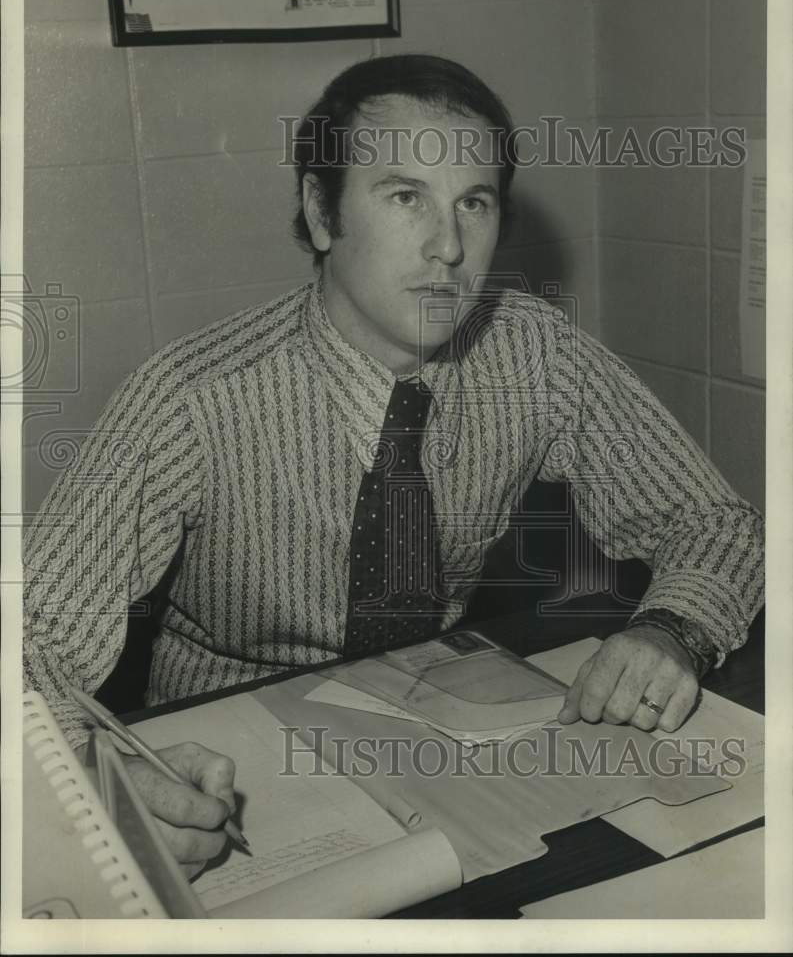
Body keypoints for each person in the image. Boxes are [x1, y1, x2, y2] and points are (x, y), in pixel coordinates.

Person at [23, 54, 764, 876]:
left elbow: (714, 524)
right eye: (405, 195)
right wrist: (100, 775)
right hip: (229, 754)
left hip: (445, 725)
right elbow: (27, 639)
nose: (446, 246)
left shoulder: (535, 351)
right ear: (319, 211)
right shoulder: (190, 398)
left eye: (472, 204)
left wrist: (672, 631)